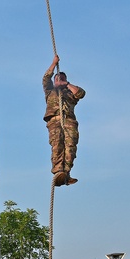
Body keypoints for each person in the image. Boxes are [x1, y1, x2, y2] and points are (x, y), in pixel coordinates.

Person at [42, 54, 86, 186]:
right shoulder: (50, 91)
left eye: (62, 79)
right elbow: (46, 78)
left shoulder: (69, 93)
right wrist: (54, 63)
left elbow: (81, 93)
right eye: (58, 79)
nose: (59, 81)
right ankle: (58, 172)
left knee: (71, 146)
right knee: (57, 145)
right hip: (55, 120)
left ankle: (66, 173)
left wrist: (66, 83)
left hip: (69, 121)